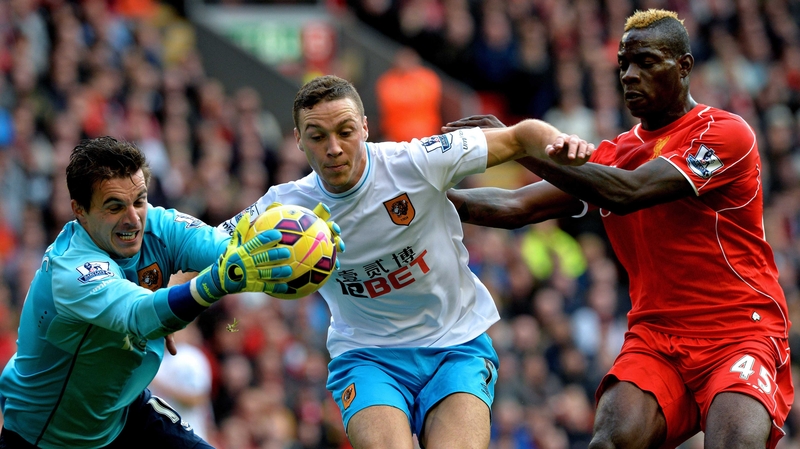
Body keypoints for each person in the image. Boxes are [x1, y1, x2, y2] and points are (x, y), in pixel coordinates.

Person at [444, 9, 793, 449]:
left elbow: (627, 192)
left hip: (738, 330)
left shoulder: (724, 133)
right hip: (657, 336)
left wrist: (521, 145)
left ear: (683, 67)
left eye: (646, 62)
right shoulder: (617, 154)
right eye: (624, 64)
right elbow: (514, 205)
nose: (629, 75)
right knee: (610, 440)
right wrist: (412, 199)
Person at [219, 74, 592, 449]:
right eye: (317, 136)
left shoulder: (416, 161)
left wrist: (562, 143)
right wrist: (165, 310)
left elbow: (520, 135)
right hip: (367, 356)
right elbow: (202, 247)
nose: (333, 148)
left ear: (365, 127)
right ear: (298, 140)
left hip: (455, 344)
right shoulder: (282, 210)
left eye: (345, 131)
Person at [0, 136, 321, 448]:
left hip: (124, 412)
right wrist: (216, 283)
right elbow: (142, 315)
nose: (133, 219)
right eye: (114, 207)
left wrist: (306, 245)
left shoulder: (159, 225)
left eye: (139, 200)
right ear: (80, 210)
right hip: (49, 436)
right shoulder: (71, 269)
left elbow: (229, 250)